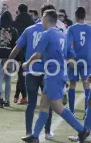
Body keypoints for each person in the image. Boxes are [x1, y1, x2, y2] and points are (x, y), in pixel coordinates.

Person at [21, 9, 90, 143]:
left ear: (45, 20)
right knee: (44, 104)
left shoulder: (46, 34)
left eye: (42, 19)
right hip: (56, 73)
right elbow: (71, 55)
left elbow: (38, 55)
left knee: (57, 106)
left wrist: (26, 63)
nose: (41, 21)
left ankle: (82, 131)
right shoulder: (62, 34)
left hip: (54, 74)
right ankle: (35, 136)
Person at [9, 3, 62, 140]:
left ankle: (28, 132)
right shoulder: (55, 32)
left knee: (31, 103)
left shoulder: (30, 29)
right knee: (47, 103)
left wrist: (9, 61)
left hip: (31, 71)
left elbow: (17, 47)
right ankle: (48, 131)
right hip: (47, 72)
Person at [67, 7, 91, 116]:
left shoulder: (71, 29)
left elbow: (71, 45)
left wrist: (70, 59)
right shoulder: (89, 28)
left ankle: (72, 111)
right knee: (87, 85)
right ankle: (87, 111)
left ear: (76, 16)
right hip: (87, 59)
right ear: (84, 16)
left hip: (75, 59)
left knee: (72, 84)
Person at [12, 3, 34, 105]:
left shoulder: (15, 22)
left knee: (20, 74)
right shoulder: (32, 23)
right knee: (22, 73)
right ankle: (17, 96)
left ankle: (24, 97)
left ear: (19, 10)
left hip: (20, 50)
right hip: (31, 51)